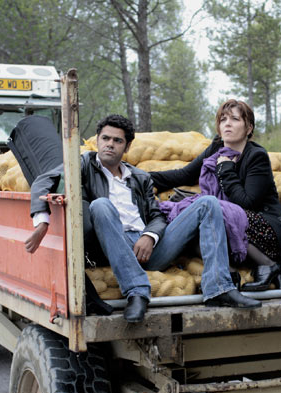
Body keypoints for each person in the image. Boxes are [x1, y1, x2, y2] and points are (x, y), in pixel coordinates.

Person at [26, 114, 260, 323]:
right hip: (114, 244)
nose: (110, 144)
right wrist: (42, 222)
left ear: (126, 147)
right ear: (97, 140)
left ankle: (218, 289)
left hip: (151, 248)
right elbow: (42, 182)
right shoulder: (83, 164)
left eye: (117, 141)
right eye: (105, 138)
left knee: (208, 203)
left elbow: (157, 215)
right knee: (101, 205)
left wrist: (150, 236)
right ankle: (137, 292)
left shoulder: (139, 177)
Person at [150, 100, 281, 290]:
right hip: (234, 223)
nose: (227, 123)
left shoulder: (256, 156)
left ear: (248, 128)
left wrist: (226, 169)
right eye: (223, 119)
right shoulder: (216, 149)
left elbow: (246, 202)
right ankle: (228, 273)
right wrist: (139, 176)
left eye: (235, 119)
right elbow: (183, 175)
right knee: (194, 219)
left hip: (267, 229)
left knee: (211, 208)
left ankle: (268, 266)